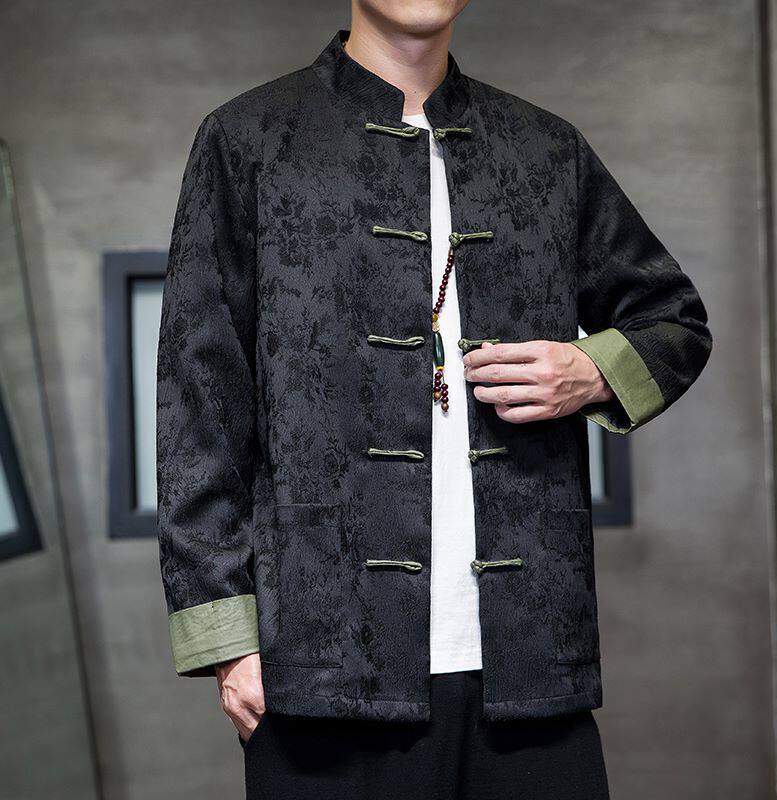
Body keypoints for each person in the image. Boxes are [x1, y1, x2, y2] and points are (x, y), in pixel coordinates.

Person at [156, 3, 712, 798]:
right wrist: (227, 641)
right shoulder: (249, 140)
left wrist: (589, 370)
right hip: (322, 663)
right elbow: (198, 400)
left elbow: (674, 320)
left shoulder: (544, 148)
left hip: (528, 662)